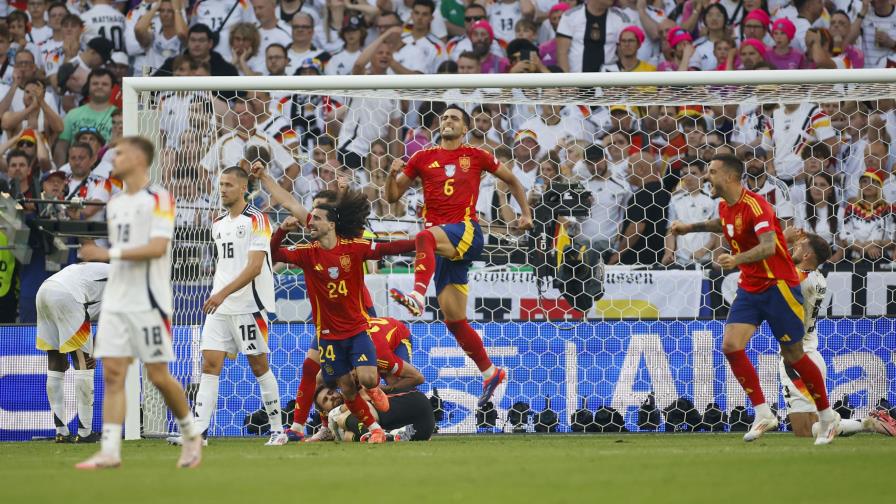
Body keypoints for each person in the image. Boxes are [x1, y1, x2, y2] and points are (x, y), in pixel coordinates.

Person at [669, 154, 839, 445]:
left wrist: (735, 258)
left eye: (711, 171)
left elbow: (770, 246)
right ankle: (763, 412)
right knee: (731, 346)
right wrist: (689, 228)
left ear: (730, 177)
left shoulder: (756, 206)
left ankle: (827, 416)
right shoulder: (726, 206)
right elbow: (721, 224)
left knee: (794, 356)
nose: (706, 176)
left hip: (779, 285)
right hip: (750, 287)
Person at [386, 105, 533, 407]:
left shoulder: (477, 155)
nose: (448, 121)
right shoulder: (421, 158)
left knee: (423, 236)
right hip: (441, 248)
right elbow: (391, 196)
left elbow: (514, 181)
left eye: (454, 118)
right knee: (454, 320)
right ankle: (490, 372)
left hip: (465, 231)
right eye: (444, 117)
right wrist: (390, 176)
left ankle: (416, 294)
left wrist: (525, 214)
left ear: (465, 128)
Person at [75, 136, 203, 469]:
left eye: (118, 153)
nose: (112, 158)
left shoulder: (159, 198)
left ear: (137, 158)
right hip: (117, 300)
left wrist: (105, 253)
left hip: (149, 300)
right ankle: (110, 451)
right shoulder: (115, 203)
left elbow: (157, 247)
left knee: (158, 375)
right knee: (114, 375)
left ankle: (190, 433)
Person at [267, 189, 417, 443]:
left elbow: (388, 248)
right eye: (310, 218)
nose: (310, 222)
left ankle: (374, 390)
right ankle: (374, 429)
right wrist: (281, 231)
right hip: (328, 337)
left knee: (368, 378)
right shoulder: (307, 252)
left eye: (316, 218)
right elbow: (274, 254)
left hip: (357, 328)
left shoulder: (354, 248)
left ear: (331, 224)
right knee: (345, 386)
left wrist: (422, 241)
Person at [167, 166, 285, 447]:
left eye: (229, 185)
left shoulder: (257, 220)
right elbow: (225, 264)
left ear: (243, 188)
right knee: (209, 364)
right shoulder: (217, 222)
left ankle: (278, 430)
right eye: (221, 184)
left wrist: (222, 293)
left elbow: (255, 267)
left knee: (259, 366)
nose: (223, 189)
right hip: (220, 307)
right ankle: (198, 432)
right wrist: (219, 295)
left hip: (248, 306)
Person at [780, 228, 896, 438]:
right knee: (815, 426)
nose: (792, 248)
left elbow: (775, 268)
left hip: (798, 359)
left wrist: (782, 236)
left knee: (806, 431)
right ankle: (870, 422)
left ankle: (869, 423)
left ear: (806, 255)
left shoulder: (800, 279)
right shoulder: (816, 277)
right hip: (808, 354)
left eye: (797, 247)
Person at [35, 262, 109, 444]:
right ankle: (85, 433)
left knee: (56, 363)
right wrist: (95, 351)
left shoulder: (109, 272)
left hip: (44, 290)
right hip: (69, 295)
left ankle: (61, 432)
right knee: (84, 365)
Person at [313, 385, 435, 442]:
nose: (332, 397)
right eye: (326, 400)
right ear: (323, 412)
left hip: (415, 404)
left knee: (342, 420)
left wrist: (337, 412)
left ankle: (380, 435)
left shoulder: (355, 393)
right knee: (347, 436)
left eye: (331, 392)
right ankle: (386, 436)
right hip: (421, 429)